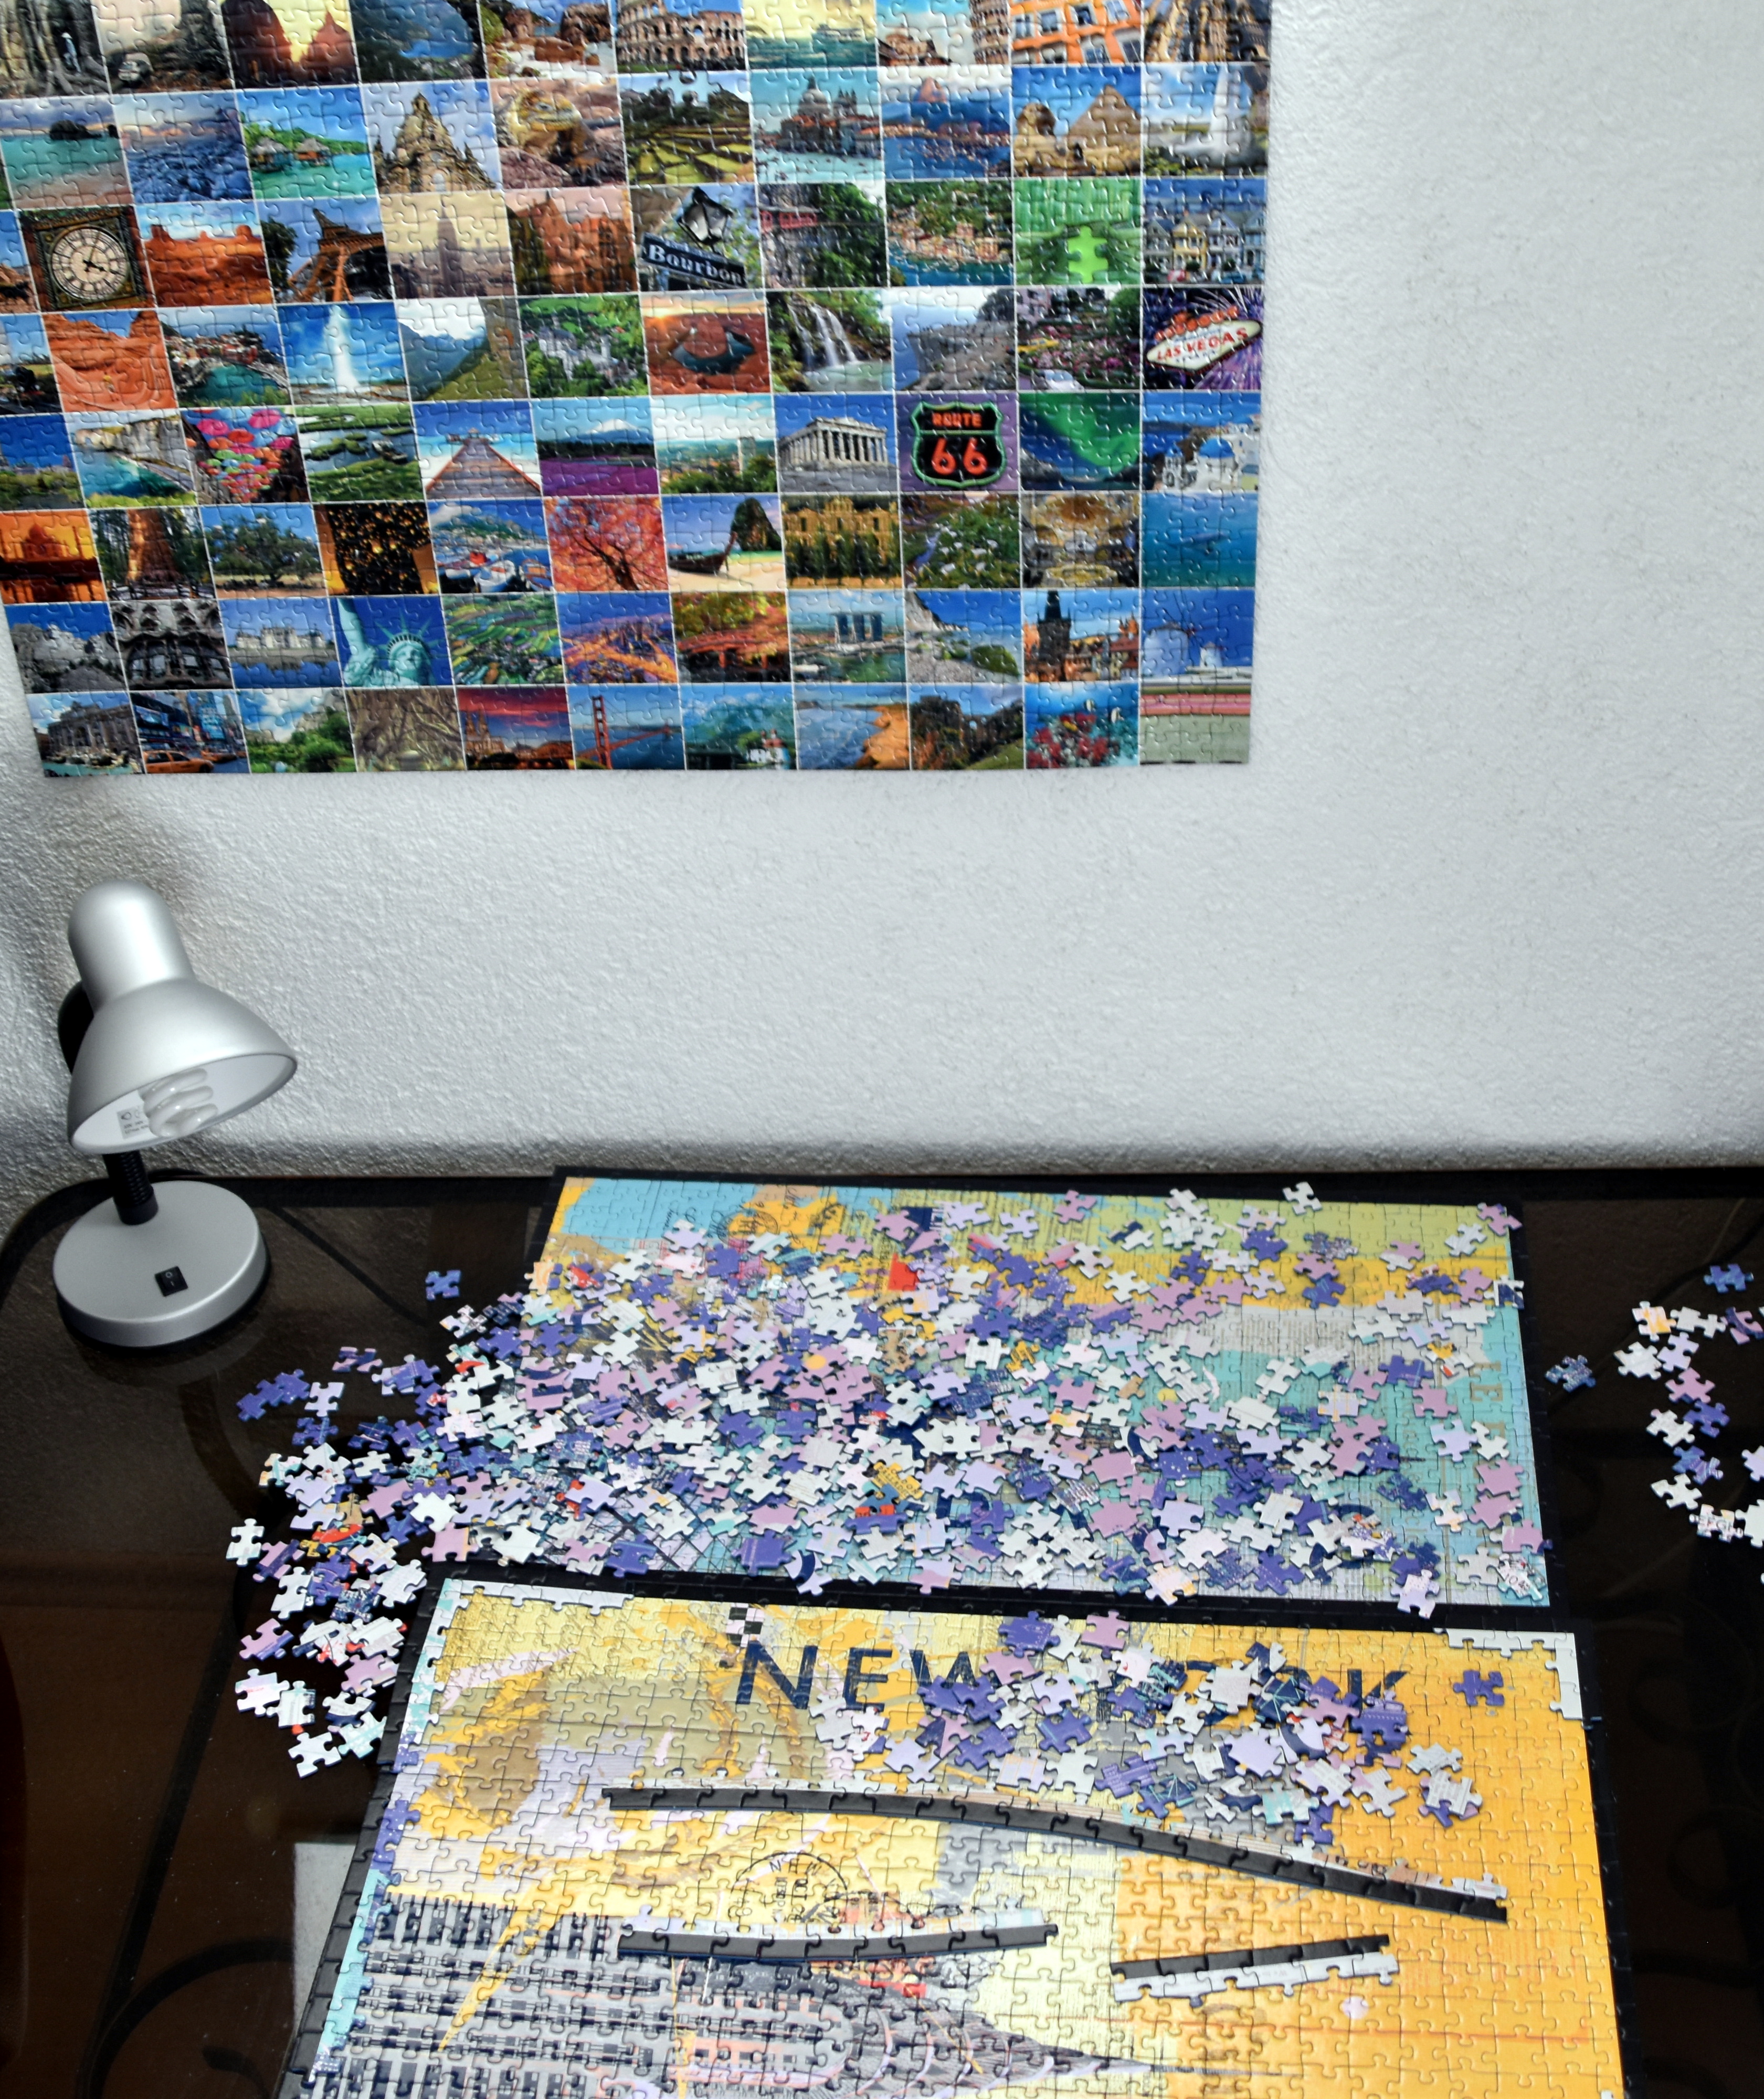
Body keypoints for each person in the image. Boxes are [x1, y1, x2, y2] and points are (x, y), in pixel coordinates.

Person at [337, 599, 431, 686]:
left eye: (415, 654)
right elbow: (356, 642)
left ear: (424, 661)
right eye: (402, 654)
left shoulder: (435, 691)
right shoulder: (383, 681)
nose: (409, 657)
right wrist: (344, 600)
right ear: (394, 665)